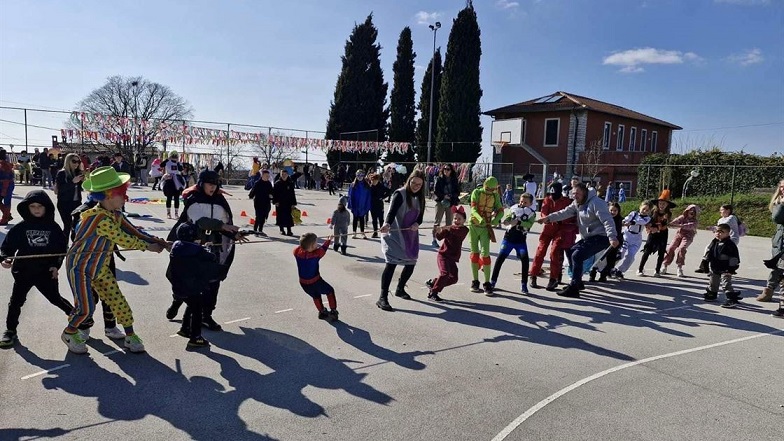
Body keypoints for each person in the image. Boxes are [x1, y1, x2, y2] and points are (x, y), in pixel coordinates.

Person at [61, 166, 167, 354]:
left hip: (100, 268)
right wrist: (148, 247)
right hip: (79, 267)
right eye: (122, 193)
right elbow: (123, 238)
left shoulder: (115, 215)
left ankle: (130, 336)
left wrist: (157, 241)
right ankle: (69, 333)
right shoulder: (97, 218)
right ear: (108, 195)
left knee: (118, 301)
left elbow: (134, 231)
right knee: (85, 308)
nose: (125, 197)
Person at [165, 170, 246, 331]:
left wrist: (234, 234)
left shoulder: (220, 201)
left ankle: (206, 315)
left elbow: (225, 223)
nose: (213, 187)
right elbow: (200, 221)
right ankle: (177, 301)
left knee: (213, 281)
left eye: (215, 184)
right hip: (192, 247)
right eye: (210, 184)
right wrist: (222, 226)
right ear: (201, 184)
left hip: (213, 248)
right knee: (187, 281)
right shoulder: (193, 200)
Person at [0, 190, 73, 347]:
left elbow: (61, 249)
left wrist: (55, 265)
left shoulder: (53, 228)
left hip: (45, 272)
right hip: (23, 272)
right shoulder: (21, 227)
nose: (36, 209)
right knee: (16, 302)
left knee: (55, 298)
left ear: (46, 207)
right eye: (32, 206)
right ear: (27, 208)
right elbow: (7, 246)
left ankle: (76, 317)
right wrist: (6, 258)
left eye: (40, 206)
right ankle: (10, 331)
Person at [537, 183, 619, 298]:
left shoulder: (596, 203)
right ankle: (578, 282)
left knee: (577, 255)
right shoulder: (577, 203)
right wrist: (548, 218)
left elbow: (608, 220)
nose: (575, 196)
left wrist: (612, 237)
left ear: (584, 192)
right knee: (571, 251)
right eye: (573, 193)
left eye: (578, 193)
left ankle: (574, 288)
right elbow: (564, 213)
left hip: (602, 237)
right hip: (590, 237)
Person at [376, 170, 426, 311]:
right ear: (409, 180)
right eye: (414, 182)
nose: (416, 186)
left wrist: (417, 224)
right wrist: (387, 224)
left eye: (419, 184)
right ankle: (382, 297)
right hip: (394, 233)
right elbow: (391, 212)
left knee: (411, 263)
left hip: (410, 235)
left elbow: (420, 217)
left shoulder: (420, 198)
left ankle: (400, 288)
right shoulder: (400, 193)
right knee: (391, 264)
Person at [166, 222, 220, 348]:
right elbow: (211, 257)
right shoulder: (197, 250)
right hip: (192, 286)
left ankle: (185, 328)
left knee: (191, 305)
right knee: (197, 310)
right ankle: (195, 337)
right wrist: (208, 248)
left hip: (178, 285)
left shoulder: (176, 246)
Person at [490, 193, 536, 294]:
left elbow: (529, 224)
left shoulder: (532, 213)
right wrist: (507, 221)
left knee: (525, 260)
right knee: (500, 259)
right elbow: (507, 216)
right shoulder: (513, 208)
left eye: (525, 202)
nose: (522, 203)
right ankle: (492, 282)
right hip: (508, 239)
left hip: (520, 241)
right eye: (521, 201)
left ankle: (524, 284)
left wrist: (519, 223)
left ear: (530, 203)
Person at [529, 182, 571, 290]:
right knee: (540, 251)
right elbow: (543, 212)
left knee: (554, 253)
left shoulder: (566, 201)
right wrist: (545, 219)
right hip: (548, 228)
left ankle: (553, 278)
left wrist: (559, 220)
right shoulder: (547, 199)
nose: (553, 196)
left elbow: (568, 215)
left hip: (560, 230)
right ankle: (533, 275)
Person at [468, 176, 505, 295]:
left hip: (485, 228)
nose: (490, 192)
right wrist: (479, 219)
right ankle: (475, 281)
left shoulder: (495, 195)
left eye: (492, 190)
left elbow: (501, 210)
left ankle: (487, 283)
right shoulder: (476, 192)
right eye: (488, 189)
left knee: (486, 254)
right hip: (474, 226)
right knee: (474, 254)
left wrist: (496, 220)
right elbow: (473, 209)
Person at [425, 205, 469, 301]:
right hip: (443, 255)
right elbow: (440, 237)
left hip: (452, 258)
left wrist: (448, 228)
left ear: (464, 220)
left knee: (454, 278)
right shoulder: (449, 229)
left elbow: (458, 233)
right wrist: (438, 231)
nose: (456, 221)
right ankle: (433, 293)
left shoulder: (464, 230)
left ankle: (433, 283)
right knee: (445, 274)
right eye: (455, 218)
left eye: (459, 219)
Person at [294, 232, 339, 321]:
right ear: (311, 246)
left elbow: (302, 247)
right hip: (316, 281)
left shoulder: (296, 252)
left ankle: (322, 312)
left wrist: (304, 241)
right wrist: (328, 240)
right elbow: (323, 249)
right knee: (330, 291)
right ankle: (333, 311)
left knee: (316, 296)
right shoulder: (315, 254)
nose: (317, 244)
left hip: (303, 283)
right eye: (315, 243)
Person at [638, 192, 675, 277]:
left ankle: (657, 270)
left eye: (664, 204)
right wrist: (650, 228)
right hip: (652, 233)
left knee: (661, 252)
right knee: (647, 250)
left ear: (667, 205)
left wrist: (657, 229)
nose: (662, 205)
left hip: (663, 233)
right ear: (657, 204)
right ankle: (640, 269)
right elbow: (647, 222)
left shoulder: (668, 214)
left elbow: (664, 224)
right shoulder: (652, 212)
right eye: (660, 203)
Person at [612, 201, 652, 279]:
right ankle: (610, 267)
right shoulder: (633, 213)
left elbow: (641, 222)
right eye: (644, 209)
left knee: (631, 256)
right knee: (620, 253)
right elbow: (627, 218)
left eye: (647, 210)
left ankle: (620, 270)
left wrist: (632, 222)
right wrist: (624, 221)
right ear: (640, 207)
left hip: (637, 238)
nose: (645, 211)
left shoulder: (647, 218)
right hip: (627, 235)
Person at [704, 224, 741, 308]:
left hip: (726, 268)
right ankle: (712, 294)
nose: (718, 234)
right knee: (713, 281)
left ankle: (731, 299)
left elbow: (734, 257)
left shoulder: (730, 244)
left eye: (721, 232)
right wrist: (705, 262)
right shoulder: (714, 242)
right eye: (717, 231)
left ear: (728, 233)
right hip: (715, 266)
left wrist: (731, 268)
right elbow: (709, 252)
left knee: (726, 283)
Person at [759, 179, 784, 303]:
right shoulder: (779, 202)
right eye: (781, 186)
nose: (782, 189)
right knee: (777, 266)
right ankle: (768, 291)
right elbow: (777, 219)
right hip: (780, 239)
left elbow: (778, 218)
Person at [589, 202, 624, 283]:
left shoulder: (619, 220)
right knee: (598, 259)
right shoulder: (603, 218)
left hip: (613, 243)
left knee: (610, 261)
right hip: (602, 241)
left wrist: (617, 241)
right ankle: (592, 275)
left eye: (615, 210)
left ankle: (603, 275)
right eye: (611, 210)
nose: (613, 212)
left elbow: (618, 232)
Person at [662, 204, 699, 277]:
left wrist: (679, 225)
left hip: (688, 236)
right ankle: (665, 265)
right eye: (690, 211)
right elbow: (674, 222)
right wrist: (669, 223)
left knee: (681, 248)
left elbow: (689, 226)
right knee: (670, 248)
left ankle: (679, 267)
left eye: (694, 211)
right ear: (687, 211)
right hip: (679, 234)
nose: (692, 212)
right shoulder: (682, 217)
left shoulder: (695, 221)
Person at [54, 153, 85, 241]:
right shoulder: (62, 173)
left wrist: (82, 181)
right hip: (64, 203)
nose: (76, 164)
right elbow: (60, 190)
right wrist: (73, 182)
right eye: (74, 161)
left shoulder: (77, 172)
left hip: (77, 203)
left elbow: (80, 188)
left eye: (78, 161)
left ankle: (74, 245)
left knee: (77, 226)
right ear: (68, 161)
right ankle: (64, 247)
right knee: (67, 226)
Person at [433, 164, 461, 230]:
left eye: (448, 169)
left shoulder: (454, 180)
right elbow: (436, 191)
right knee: (437, 221)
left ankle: (448, 238)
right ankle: (434, 238)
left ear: (451, 171)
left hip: (451, 202)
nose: (446, 171)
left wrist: (451, 196)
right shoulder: (439, 179)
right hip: (440, 201)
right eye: (445, 169)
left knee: (449, 222)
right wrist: (444, 196)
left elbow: (458, 192)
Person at [248, 169, 273, 236]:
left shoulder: (269, 184)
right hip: (258, 202)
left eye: (268, 176)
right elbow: (253, 191)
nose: (267, 177)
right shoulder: (258, 183)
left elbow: (272, 192)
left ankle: (260, 230)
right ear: (262, 176)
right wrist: (251, 195)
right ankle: (255, 230)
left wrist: (271, 196)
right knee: (259, 216)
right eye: (266, 176)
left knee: (264, 216)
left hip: (266, 202)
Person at [272, 169, 297, 236]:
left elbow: (292, 194)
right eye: (282, 174)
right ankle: (281, 229)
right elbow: (274, 194)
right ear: (280, 175)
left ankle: (289, 230)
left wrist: (293, 203)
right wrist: (275, 201)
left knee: (288, 216)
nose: (284, 176)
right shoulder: (277, 183)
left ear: (287, 175)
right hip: (280, 203)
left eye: (285, 174)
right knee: (280, 216)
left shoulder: (290, 183)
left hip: (288, 203)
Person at [161, 151, 185, 219]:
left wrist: (177, 162)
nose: (174, 158)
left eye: (175, 157)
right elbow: (161, 165)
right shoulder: (167, 162)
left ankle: (176, 213)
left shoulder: (178, 163)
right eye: (173, 156)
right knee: (169, 197)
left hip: (176, 181)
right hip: (169, 180)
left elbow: (181, 169)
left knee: (177, 198)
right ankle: (168, 213)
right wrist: (167, 159)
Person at [347, 170, 371, 239]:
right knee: (355, 218)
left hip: (363, 204)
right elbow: (350, 195)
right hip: (355, 204)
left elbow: (368, 196)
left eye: (361, 175)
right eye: (358, 175)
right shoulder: (353, 185)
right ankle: (354, 232)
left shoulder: (366, 185)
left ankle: (362, 232)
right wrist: (351, 204)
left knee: (362, 219)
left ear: (363, 176)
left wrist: (367, 205)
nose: (359, 177)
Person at [368, 173, 390, 238]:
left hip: (379, 204)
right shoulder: (370, 186)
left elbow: (388, 191)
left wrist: (383, 197)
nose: (373, 181)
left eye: (374, 180)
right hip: (372, 204)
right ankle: (375, 232)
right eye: (372, 180)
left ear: (377, 180)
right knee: (374, 219)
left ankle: (383, 232)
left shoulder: (381, 186)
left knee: (381, 219)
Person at [0, 149, 14, 225]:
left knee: (7, 201)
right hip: (8, 184)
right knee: (6, 201)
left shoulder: (3, 165)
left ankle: (5, 218)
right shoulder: (7, 164)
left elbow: (7, 177)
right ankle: (7, 216)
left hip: (6, 184)